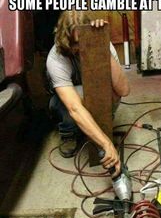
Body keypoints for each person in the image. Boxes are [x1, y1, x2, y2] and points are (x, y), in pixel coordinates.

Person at [46, 9, 130, 177]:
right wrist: (106, 144)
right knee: (65, 104)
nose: (77, 49)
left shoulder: (100, 41)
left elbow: (123, 90)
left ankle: (100, 123)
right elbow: (75, 107)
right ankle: (69, 132)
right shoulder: (55, 58)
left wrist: (102, 44)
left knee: (110, 90)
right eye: (73, 43)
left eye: (80, 41)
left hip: (91, 91)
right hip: (69, 99)